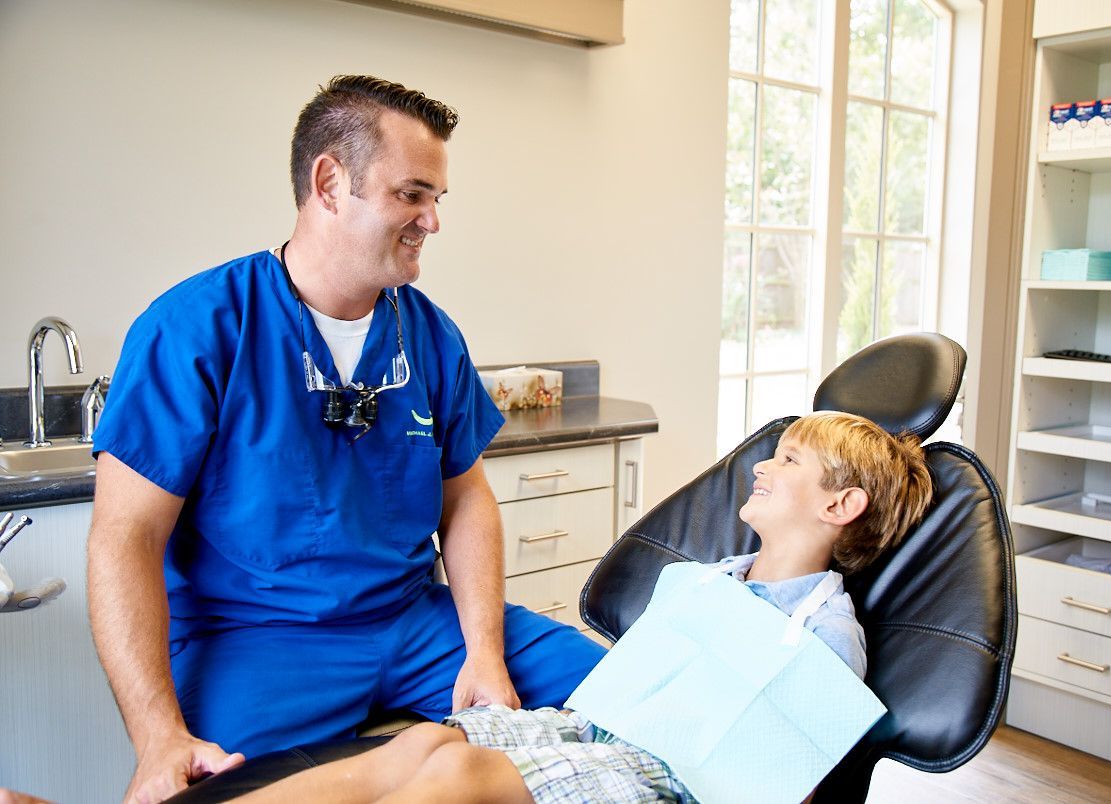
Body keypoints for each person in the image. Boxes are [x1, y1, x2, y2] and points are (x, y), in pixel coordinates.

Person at [86, 75, 605, 804]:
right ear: (330, 183)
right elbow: (123, 537)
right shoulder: (197, 329)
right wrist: (156, 737)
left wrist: (484, 651)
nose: (432, 220)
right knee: (215, 793)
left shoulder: (427, 334)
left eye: (436, 200)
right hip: (260, 639)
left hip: (416, 622)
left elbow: (467, 503)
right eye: (412, 194)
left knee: (633, 695)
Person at [233, 411, 935, 803]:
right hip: (598, 730)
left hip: (668, 778)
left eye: (786, 461)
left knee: (458, 775)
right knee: (427, 740)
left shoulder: (824, 630)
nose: (761, 465)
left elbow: (794, 778)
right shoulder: (712, 579)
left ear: (841, 505)